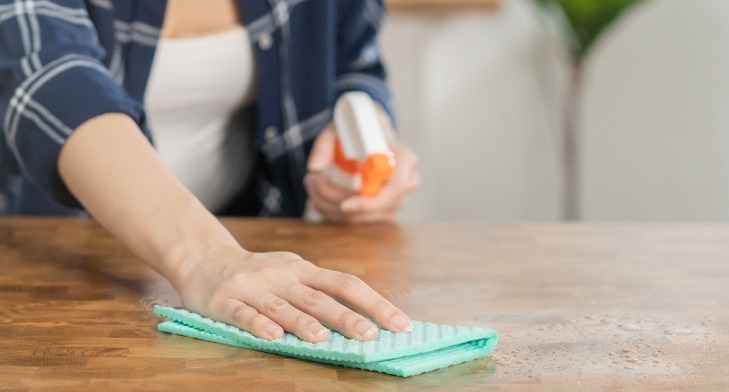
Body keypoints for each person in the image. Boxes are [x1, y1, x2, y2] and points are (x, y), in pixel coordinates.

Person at [0, 0, 420, 343]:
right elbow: (51, 78)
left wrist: (366, 132)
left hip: (251, 252)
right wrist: (207, 259)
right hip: (54, 274)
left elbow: (354, 64)